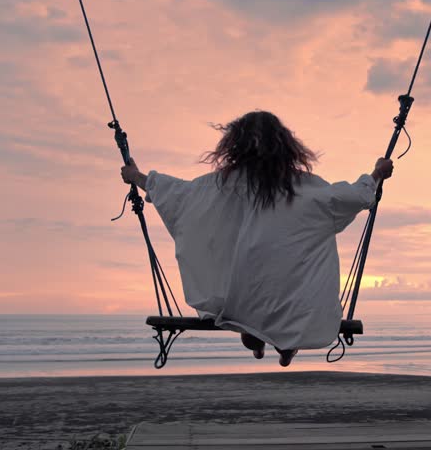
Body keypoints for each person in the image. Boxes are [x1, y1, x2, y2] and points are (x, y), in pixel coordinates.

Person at [120, 110, 394, 367]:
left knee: (244, 320)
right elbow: (355, 196)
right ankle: (285, 348)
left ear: (234, 146)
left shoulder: (215, 187)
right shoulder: (306, 189)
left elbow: (177, 195)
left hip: (241, 302)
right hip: (294, 302)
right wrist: (376, 174)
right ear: (286, 147)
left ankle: (257, 344)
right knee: (282, 320)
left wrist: (137, 176)